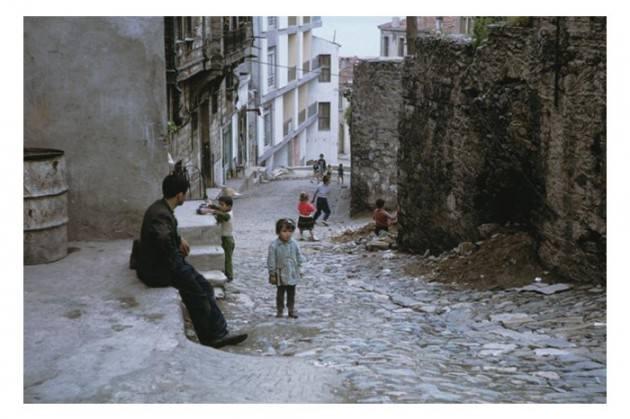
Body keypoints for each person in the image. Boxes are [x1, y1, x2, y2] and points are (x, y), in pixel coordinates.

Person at [134, 171, 247, 349]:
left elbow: (166, 233)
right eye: (185, 193)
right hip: (159, 269)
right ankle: (210, 337)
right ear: (179, 195)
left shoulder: (161, 208)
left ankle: (220, 332)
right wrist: (177, 257)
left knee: (204, 286)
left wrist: (178, 240)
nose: (185, 196)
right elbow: (163, 239)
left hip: (167, 264)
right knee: (197, 292)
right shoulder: (161, 214)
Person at [268, 218, 305, 319]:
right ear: (278, 232)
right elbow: (271, 260)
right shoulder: (274, 245)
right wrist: (272, 273)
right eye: (284, 231)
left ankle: (291, 310)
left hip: (292, 272)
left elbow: (299, 256)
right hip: (280, 273)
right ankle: (280, 310)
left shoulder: (294, 244)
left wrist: (300, 268)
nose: (287, 234)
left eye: (290, 231)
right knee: (280, 293)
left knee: (291, 293)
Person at [207, 196, 235, 283]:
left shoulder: (228, 214)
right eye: (220, 204)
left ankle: (229, 275)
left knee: (227, 259)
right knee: (225, 257)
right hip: (224, 238)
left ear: (229, 207)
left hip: (228, 240)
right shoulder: (225, 210)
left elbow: (224, 216)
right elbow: (219, 210)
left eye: (222, 205)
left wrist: (213, 211)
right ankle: (226, 273)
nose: (220, 206)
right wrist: (212, 206)